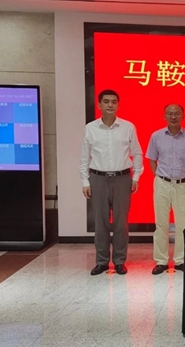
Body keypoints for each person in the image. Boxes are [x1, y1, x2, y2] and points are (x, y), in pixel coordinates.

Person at [79, 89, 143, 276]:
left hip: (123, 179)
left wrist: (136, 177)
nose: (110, 105)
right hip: (98, 179)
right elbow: (84, 157)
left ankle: (120, 261)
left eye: (114, 102)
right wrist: (85, 181)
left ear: (118, 105)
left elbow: (137, 153)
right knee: (101, 223)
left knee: (121, 223)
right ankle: (101, 262)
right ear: (99, 105)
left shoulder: (128, 127)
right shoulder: (90, 128)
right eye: (106, 101)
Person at [146, 104, 185, 275]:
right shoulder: (156, 136)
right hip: (162, 183)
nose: (173, 116)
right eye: (169, 113)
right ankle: (161, 261)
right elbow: (151, 159)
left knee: (182, 224)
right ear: (164, 116)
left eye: (177, 113)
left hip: (183, 184)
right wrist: (159, 176)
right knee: (161, 223)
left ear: (183, 115)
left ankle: (180, 260)